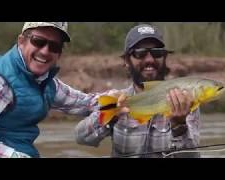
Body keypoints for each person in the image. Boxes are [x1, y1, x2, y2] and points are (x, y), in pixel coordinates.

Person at [0, 22, 99, 158]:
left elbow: (85, 103)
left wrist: (118, 99)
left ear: (59, 53)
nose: (45, 51)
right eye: (38, 42)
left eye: (54, 46)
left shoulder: (46, 82)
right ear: (21, 41)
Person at [75, 24, 201, 158]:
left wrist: (179, 127)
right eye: (139, 53)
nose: (150, 60)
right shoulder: (116, 99)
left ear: (164, 58)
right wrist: (110, 116)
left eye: (157, 53)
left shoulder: (185, 101)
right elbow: (81, 137)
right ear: (126, 61)